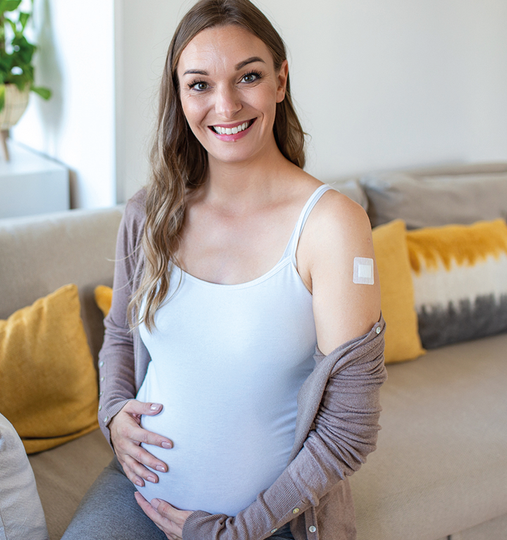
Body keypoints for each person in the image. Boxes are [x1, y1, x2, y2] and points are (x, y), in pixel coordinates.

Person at [62, 1, 386, 538]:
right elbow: (120, 332)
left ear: (280, 81)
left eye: (249, 77)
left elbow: (348, 430)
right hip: (139, 494)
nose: (226, 105)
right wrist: (114, 413)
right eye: (200, 85)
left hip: (271, 521)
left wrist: (235, 532)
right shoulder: (150, 212)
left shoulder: (332, 225)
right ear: (180, 95)